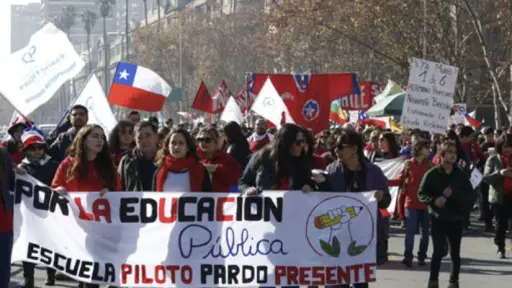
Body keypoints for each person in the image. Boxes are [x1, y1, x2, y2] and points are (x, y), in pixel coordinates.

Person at [313, 130, 390, 288]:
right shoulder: (332, 170)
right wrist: (316, 186)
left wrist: (381, 196)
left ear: (354, 149)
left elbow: (386, 202)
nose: (336, 150)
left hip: (363, 240)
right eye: (335, 146)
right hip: (336, 238)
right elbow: (323, 202)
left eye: (341, 147)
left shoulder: (373, 172)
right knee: (334, 284)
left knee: (360, 283)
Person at [418, 141, 476, 288]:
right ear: (442, 155)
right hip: (438, 218)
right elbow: (422, 193)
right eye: (449, 152)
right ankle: (433, 281)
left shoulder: (461, 175)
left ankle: (453, 281)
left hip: (456, 218)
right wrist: (434, 200)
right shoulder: (432, 174)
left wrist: (455, 195)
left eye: (454, 152)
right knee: (437, 252)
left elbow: (470, 195)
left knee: (455, 254)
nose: (453, 155)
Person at [17, 126, 59, 287]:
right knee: (29, 245)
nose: (36, 151)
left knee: (52, 245)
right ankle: (29, 277)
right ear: (26, 150)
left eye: (39, 148)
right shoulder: (22, 168)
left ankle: (51, 272)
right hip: (29, 216)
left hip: (51, 213)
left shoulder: (53, 165)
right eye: (32, 148)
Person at [389, 140, 431, 268]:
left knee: (425, 234)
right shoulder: (408, 164)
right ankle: (408, 257)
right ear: (419, 149)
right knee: (410, 232)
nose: (429, 150)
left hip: (426, 204)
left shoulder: (430, 165)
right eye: (426, 148)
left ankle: (422, 257)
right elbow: (400, 180)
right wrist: (384, 181)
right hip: (411, 203)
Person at [154, 128, 211, 192]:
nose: (176, 147)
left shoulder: (201, 170)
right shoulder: (159, 171)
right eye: (173, 143)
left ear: (187, 147)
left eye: (181, 143)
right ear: (168, 147)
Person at [483, 133, 512, 258]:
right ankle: (501, 247)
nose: (507, 149)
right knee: (501, 224)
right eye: (504, 147)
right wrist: (499, 173)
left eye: (509, 146)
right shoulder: (493, 159)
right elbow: (486, 177)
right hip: (499, 196)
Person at [196, 125, 241, 192]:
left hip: (222, 200)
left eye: (207, 140)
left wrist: (216, 169)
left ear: (216, 141)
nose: (203, 142)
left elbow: (236, 181)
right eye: (200, 140)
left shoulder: (227, 159)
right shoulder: (194, 158)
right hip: (199, 199)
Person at [118, 121, 159, 191]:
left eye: (148, 135)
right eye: (140, 137)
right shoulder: (126, 161)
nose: (144, 140)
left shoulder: (167, 159)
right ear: (135, 139)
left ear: (156, 137)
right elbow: (118, 187)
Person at [0, 147, 14, 288]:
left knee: (3, 268)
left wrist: (22, 175)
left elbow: (12, 182)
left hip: (3, 221)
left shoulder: (3, 154)